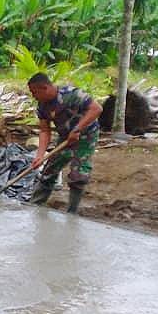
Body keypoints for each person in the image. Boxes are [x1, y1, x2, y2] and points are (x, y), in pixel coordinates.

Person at [27, 72, 103, 213]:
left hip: (86, 136)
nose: (33, 96)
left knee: (78, 175)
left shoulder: (72, 94)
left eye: (34, 92)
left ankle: (71, 213)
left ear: (44, 88)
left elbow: (96, 109)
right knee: (49, 171)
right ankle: (34, 205)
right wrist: (40, 155)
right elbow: (45, 130)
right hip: (65, 137)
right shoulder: (42, 106)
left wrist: (78, 129)